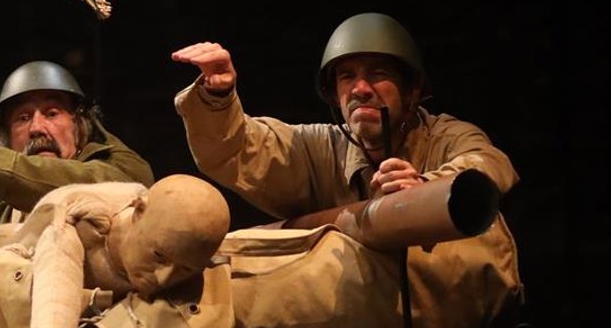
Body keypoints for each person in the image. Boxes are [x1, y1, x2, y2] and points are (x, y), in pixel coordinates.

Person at [171, 13, 519, 219]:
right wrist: (218, 96)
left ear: (412, 90)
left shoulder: (446, 137)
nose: (360, 89)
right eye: (347, 76)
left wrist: (426, 192)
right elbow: (238, 148)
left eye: (379, 74)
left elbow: (488, 164)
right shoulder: (319, 149)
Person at [0, 60, 155, 234]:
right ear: (7, 140)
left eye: (52, 113)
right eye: (23, 118)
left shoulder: (120, 166)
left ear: (79, 125)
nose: (36, 127)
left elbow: (68, 187)